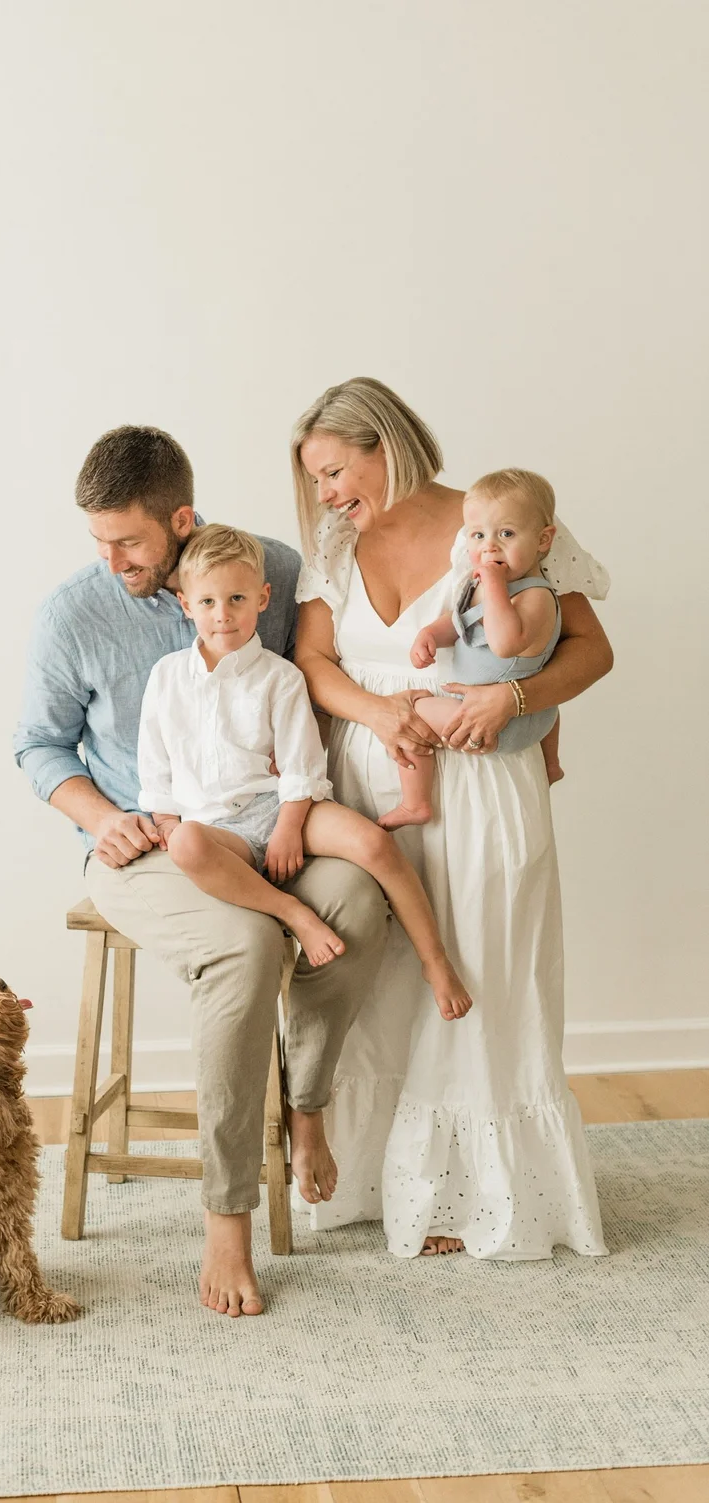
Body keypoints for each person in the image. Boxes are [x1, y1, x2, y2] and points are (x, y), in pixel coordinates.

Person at [14, 425, 390, 1316]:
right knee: (245, 948)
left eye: (130, 543)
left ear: (182, 520)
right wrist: (103, 819)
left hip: (270, 829)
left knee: (359, 899)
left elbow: (318, 669)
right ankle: (229, 1217)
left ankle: (307, 1100)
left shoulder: (280, 571)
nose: (111, 561)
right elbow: (37, 743)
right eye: (98, 542)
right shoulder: (72, 614)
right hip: (150, 851)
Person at [291, 377, 611, 1260]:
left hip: (483, 777)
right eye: (314, 479)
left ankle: (479, 1198)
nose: (325, 495)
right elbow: (314, 662)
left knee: (482, 977)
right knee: (386, 981)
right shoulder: (330, 543)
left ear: (383, 443)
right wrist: (377, 711)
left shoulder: (497, 519)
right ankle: (381, 1184)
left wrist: (512, 696)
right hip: (375, 780)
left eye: (333, 471)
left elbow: (592, 649)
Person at [138, 522, 472, 1020]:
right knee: (185, 844)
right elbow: (155, 763)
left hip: (280, 805)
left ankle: (436, 960)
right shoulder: (166, 678)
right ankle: (292, 911)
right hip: (211, 825)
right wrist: (165, 820)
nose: (222, 615)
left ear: (263, 598)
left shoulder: (281, 676)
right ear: (186, 604)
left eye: (236, 599)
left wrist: (289, 829)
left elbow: (302, 765)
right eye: (207, 602)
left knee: (376, 844)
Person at [379, 467, 564, 831]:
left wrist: (493, 582)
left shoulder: (536, 596)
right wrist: (432, 632)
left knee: (413, 711)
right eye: (477, 535)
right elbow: (462, 621)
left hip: (501, 722)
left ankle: (415, 803)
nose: (488, 546)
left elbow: (504, 641)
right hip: (529, 716)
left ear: (544, 540)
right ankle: (550, 764)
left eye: (506, 534)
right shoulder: (479, 586)